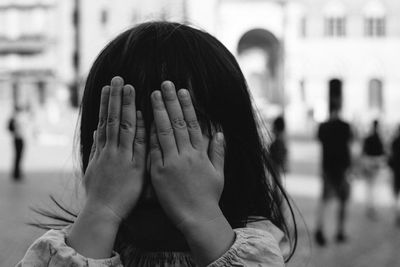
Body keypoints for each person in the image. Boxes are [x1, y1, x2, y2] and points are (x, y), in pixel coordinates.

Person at [17, 22, 297, 267]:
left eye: (177, 135)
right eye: (125, 136)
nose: (156, 166)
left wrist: (201, 215)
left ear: (232, 145)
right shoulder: (71, 250)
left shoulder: (258, 248)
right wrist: (101, 212)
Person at [314, 98, 352, 246]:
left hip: (327, 167)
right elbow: (348, 147)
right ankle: (340, 231)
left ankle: (320, 229)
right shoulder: (345, 126)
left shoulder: (323, 127)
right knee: (343, 200)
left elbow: (320, 145)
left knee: (325, 201)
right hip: (342, 168)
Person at [361, 120, 385, 219]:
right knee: (373, 188)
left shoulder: (370, 138)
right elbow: (382, 153)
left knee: (370, 187)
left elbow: (364, 151)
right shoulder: (379, 139)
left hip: (369, 163)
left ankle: (370, 207)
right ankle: (371, 207)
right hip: (374, 163)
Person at [8, 105, 27, 181]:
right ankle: (16, 174)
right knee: (18, 156)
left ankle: (17, 173)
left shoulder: (15, 118)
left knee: (18, 157)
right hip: (18, 138)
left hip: (17, 138)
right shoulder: (17, 118)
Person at [388, 125, 400, 226]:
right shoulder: (395, 141)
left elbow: (391, 157)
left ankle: (397, 215)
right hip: (396, 170)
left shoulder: (395, 141)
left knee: (396, 194)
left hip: (396, 171)